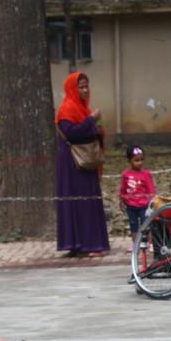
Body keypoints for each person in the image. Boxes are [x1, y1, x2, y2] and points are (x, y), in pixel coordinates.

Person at [55, 72, 110, 257]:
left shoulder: (84, 108)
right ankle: (82, 244)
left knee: (89, 200)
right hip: (73, 163)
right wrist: (91, 120)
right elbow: (71, 132)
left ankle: (89, 242)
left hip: (86, 161)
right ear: (72, 88)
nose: (85, 90)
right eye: (81, 87)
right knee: (80, 201)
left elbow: (89, 132)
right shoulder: (67, 109)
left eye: (87, 86)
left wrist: (97, 129)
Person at [119, 145, 156, 250]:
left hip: (144, 205)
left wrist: (152, 201)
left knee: (147, 224)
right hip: (130, 205)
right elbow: (123, 188)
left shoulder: (146, 174)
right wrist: (121, 199)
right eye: (136, 160)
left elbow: (151, 189)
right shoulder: (126, 174)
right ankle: (135, 243)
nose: (140, 162)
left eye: (141, 160)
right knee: (133, 224)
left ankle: (151, 243)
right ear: (129, 161)